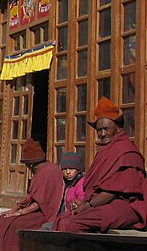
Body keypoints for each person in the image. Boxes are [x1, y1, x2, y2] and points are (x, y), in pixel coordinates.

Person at [52, 97, 147, 233]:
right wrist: (84, 202)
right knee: (63, 219)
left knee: (73, 224)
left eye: (106, 129)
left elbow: (113, 191)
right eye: (99, 130)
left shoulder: (126, 151)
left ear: (118, 128)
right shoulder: (105, 151)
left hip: (126, 205)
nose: (102, 134)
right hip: (103, 203)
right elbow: (97, 187)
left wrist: (88, 205)